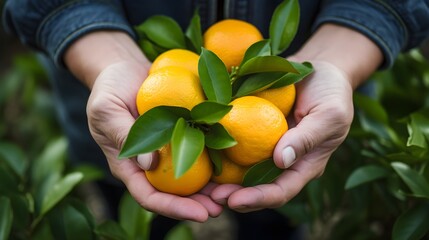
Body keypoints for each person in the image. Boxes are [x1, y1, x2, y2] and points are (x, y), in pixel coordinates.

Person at [3, 0, 429, 239]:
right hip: (124, 109)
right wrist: (99, 48)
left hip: (295, 119)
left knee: (276, 217)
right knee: (132, 192)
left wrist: (342, 51)